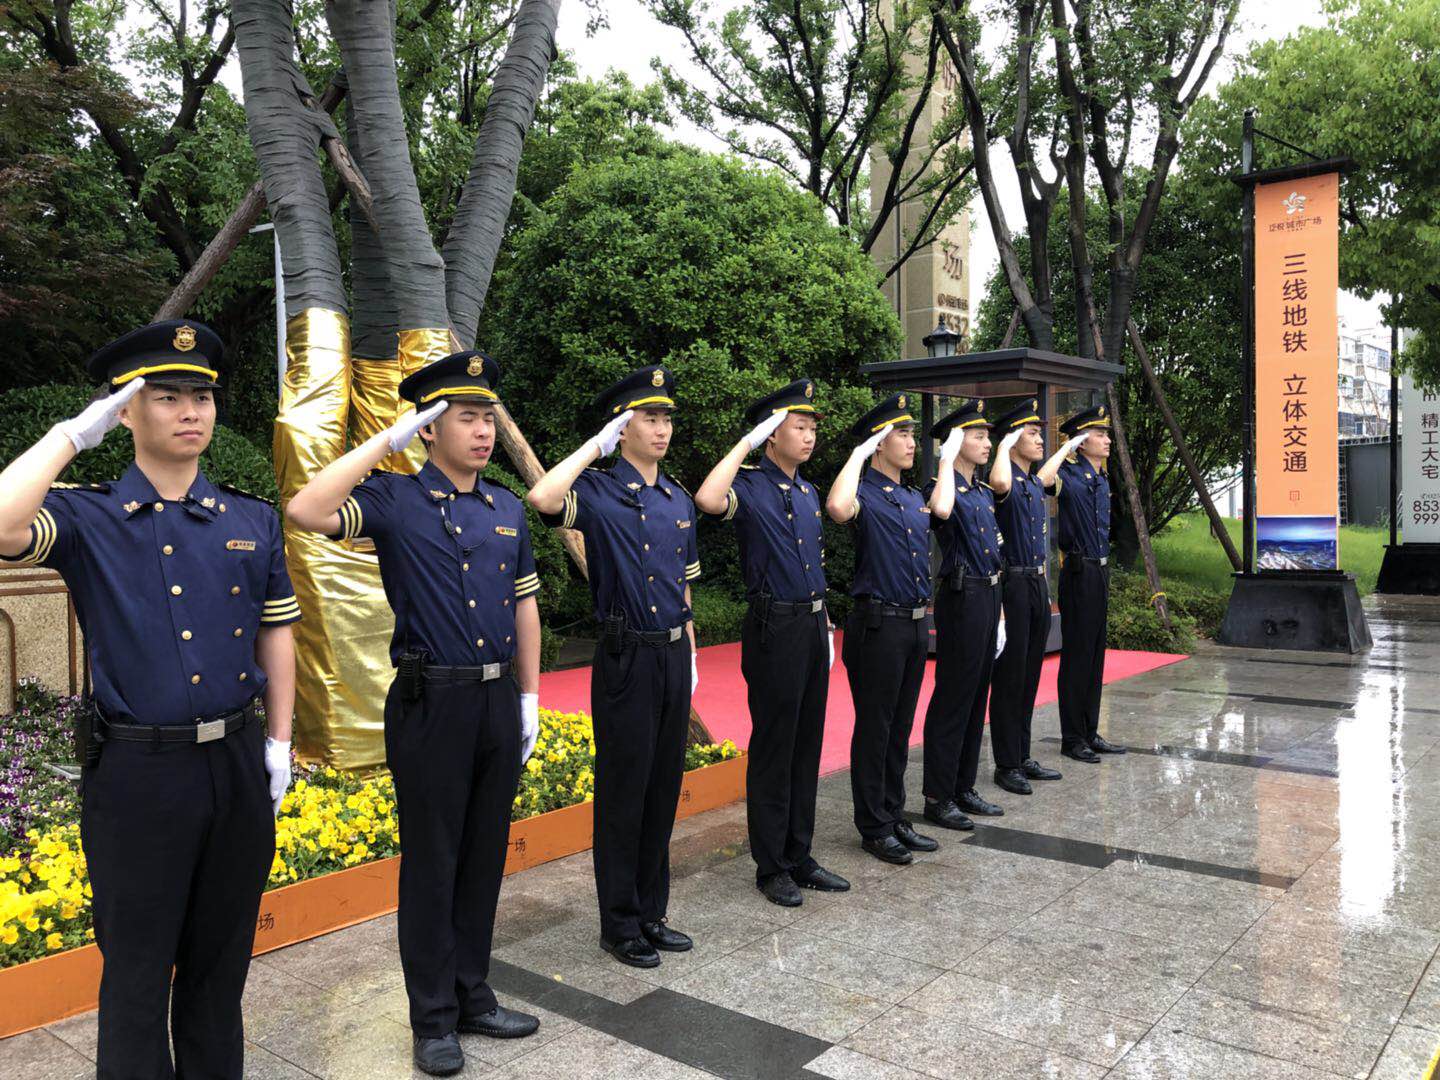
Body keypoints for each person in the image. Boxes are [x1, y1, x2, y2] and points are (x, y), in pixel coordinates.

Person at [0, 321, 298, 1079]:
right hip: (139, 775)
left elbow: (276, 634)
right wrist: (71, 436)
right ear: (125, 412)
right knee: (136, 972)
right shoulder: (88, 516)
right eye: (165, 396)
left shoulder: (250, 518)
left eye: (202, 396)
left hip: (235, 764)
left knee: (219, 967)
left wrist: (279, 742)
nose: (191, 411)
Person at [286, 350, 541, 1076]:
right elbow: (305, 510)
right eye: (467, 417)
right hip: (432, 702)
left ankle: (472, 995)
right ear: (428, 427)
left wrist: (528, 696)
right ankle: (432, 1018)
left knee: (484, 857)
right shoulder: (395, 500)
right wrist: (385, 442)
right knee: (433, 863)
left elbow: (525, 605)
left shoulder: (505, 507)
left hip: (496, 700)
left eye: (488, 417)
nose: (483, 431)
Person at [526, 366, 700, 969]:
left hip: (672, 653)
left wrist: (691, 650)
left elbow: (683, 587)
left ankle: (652, 911)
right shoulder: (598, 491)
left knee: (663, 787)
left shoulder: (678, 498)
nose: (662, 428)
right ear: (623, 429)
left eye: (666, 417)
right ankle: (620, 922)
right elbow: (543, 499)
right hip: (626, 656)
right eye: (649, 418)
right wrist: (593, 448)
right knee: (625, 790)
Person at [694, 379, 850, 907]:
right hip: (773, 627)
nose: (809, 437)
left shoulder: (807, 492)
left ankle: (799, 854)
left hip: (811, 625)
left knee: (807, 742)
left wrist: (826, 623)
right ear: (771, 434)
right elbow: (708, 500)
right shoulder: (750, 485)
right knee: (775, 745)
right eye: (798, 427)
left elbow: (814, 566)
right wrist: (746, 442)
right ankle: (771, 865)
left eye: (811, 429)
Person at [825, 393, 938, 865]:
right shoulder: (862, 493)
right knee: (876, 727)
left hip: (913, 624)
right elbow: (837, 507)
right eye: (902, 434)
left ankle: (894, 814)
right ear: (878, 443)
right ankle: (873, 825)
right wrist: (857, 454)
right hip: (878, 625)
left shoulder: (911, 497)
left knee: (901, 727)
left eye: (912, 434)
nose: (911, 443)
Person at [919, 399, 1007, 831]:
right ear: (956, 442)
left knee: (977, 697)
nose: (986, 443)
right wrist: (946, 460)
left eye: (987, 436)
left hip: (989, 594)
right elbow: (941, 513)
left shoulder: (983, 492)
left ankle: (963, 786)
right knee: (954, 696)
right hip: (962, 596)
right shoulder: (942, 487)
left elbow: (995, 553)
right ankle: (938, 795)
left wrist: (1001, 612)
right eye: (978, 436)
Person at [986, 399, 1064, 794]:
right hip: (1012, 584)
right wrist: (1004, 443)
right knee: (1010, 677)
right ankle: (1006, 764)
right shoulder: (1004, 479)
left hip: (1036, 583)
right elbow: (1000, 483)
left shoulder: (1033, 483)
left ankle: (1023, 753)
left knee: (1030, 674)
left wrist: (1067, 447)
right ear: (1013, 437)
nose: (1039, 440)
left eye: (1038, 433)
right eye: (1031, 433)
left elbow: (1047, 474)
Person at [1046, 403, 1127, 763]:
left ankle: (1090, 731)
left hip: (1100, 572)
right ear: (1081, 441)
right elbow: (1043, 481)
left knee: (1094, 657)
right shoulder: (1068, 474)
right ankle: (1072, 737)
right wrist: (1066, 447)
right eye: (1099, 434)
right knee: (1077, 657)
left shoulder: (1102, 478)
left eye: (1107, 433)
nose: (1107, 440)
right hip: (1078, 574)